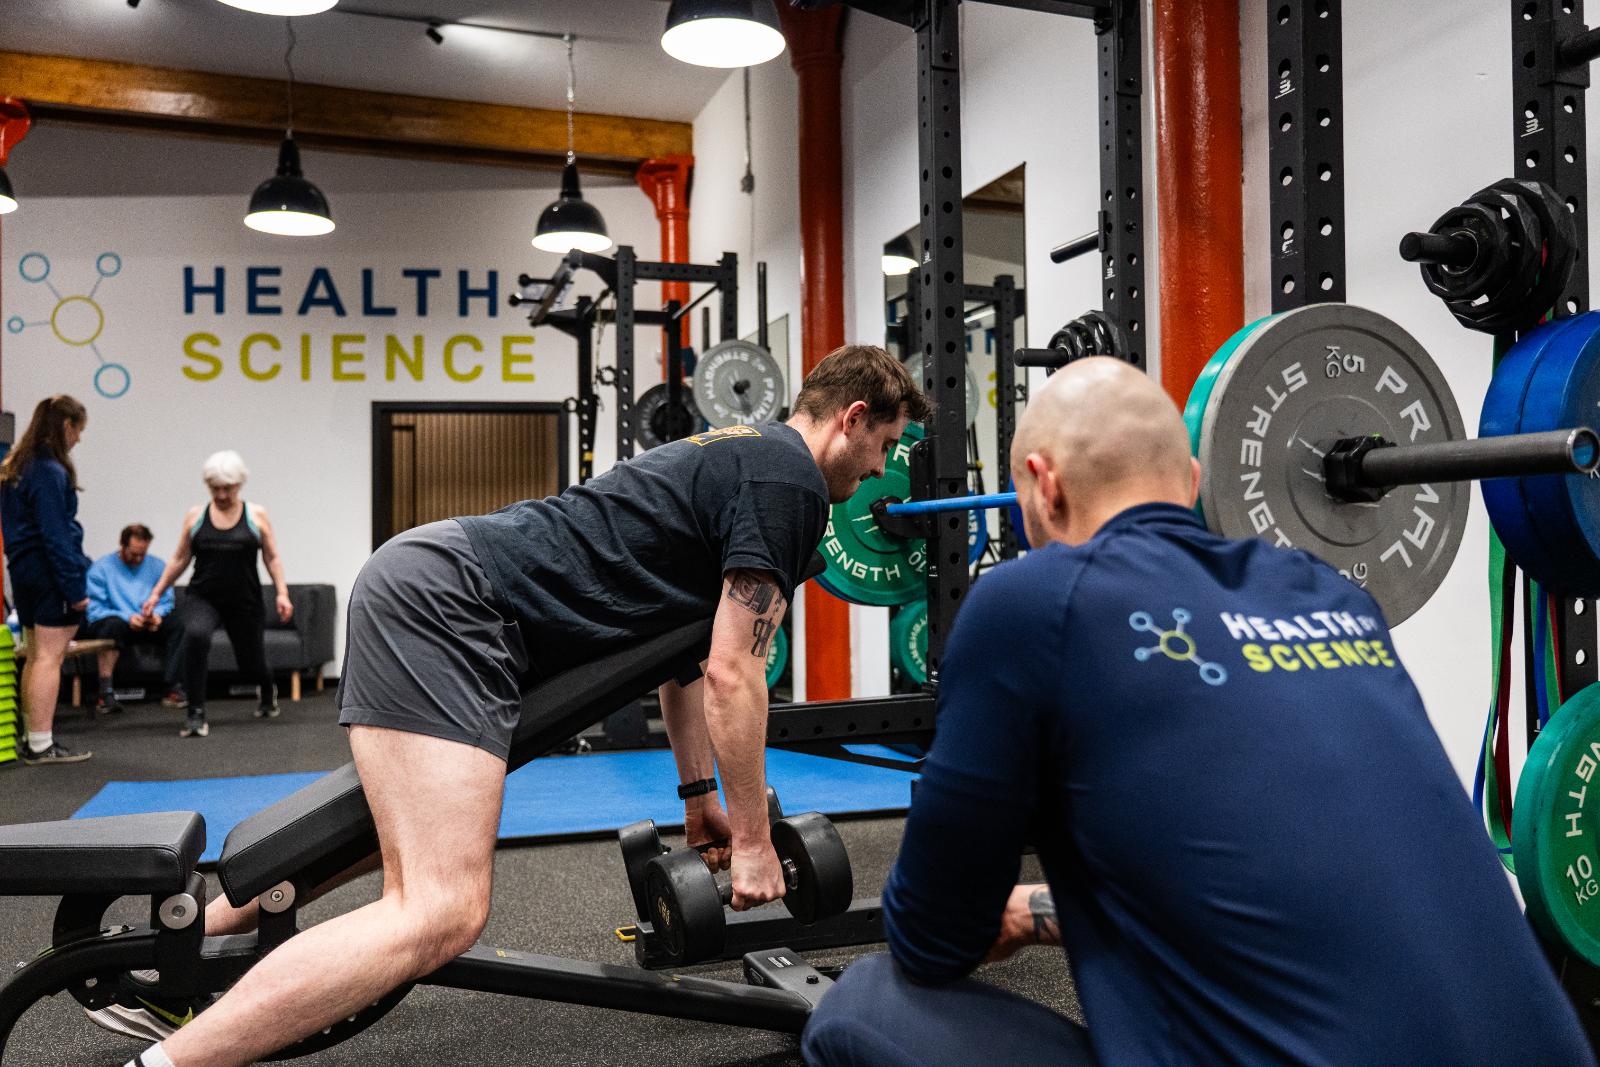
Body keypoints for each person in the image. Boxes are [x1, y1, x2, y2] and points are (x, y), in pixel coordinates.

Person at [106, 344, 928, 1067]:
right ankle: (169, 1061)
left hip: (441, 588)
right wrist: (752, 842)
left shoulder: (740, 455)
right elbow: (733, 675)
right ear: (853, 417)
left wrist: (700, 798)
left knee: (377, 839)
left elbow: (685, 662)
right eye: (884, 445)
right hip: (458, 606)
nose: (880, 471)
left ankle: (192, 941)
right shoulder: (791, 480)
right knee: (440, 910)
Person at [802, 358, 1594, 1067]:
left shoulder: (1028, 602)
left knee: (865, 1003)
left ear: (1042, 486)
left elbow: (932, 934)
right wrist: (1043, 909)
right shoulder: (1331, 597)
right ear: (1187, 479)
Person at [142, 451, 291, 739]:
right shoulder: (196, 516)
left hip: (244, 600)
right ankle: (195, 712)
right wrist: (156, 593)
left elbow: (272, 558)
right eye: (215, 488)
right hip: (203, 597)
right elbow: (179, 558)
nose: (222, 494)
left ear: (240, 485)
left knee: (252, 663)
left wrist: (282, 594)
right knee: (195, 636)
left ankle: (266, 689)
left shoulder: (256, 515)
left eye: (228, 488)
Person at [0, 395, 93, 765]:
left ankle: (32, 737)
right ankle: (41, 744)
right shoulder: (51, 472)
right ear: (66, 426)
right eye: (79, 430)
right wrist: (75, 589)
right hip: (50, 575)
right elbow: (56, 536)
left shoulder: (15, 467)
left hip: (22, 572)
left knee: (37, 655)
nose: (79, 440)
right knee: (49, 659)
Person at [82, 523, 186, 714]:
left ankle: (173, 688)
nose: (138, 559)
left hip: (148, 622)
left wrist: (157, 616)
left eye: (142, 554)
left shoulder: (157, 566)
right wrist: (128, 617)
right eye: (133, 554)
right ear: (122, 546)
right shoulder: (101, 569)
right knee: (110, 627)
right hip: (119, 622)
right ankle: (105, 693)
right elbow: (95, 609)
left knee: (178, 624)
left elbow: (166, 600)